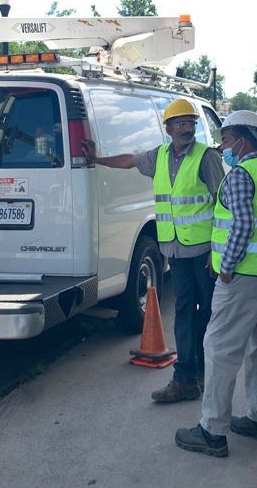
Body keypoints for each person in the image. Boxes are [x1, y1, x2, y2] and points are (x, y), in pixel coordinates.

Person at [82, 98, 224, 402]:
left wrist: (217, 252)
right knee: (184, 313)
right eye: (181, 123)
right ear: (169, 128)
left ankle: (207, 375)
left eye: (191, 123)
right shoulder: (159, 156)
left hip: (204, 253)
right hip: (176, 251)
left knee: (210, 314)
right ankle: (185, 378)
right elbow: (129, 160)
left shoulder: (205, 157)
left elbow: (223, 204)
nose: (187, 128)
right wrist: (97, 159)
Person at [175, 111, 257, 458]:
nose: (221, 146)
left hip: (242, 276)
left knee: (219, 348)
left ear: (241, 141)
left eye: (225, 140)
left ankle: (211, 431)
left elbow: (242, 226)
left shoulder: (241, 175)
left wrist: (226, 267)